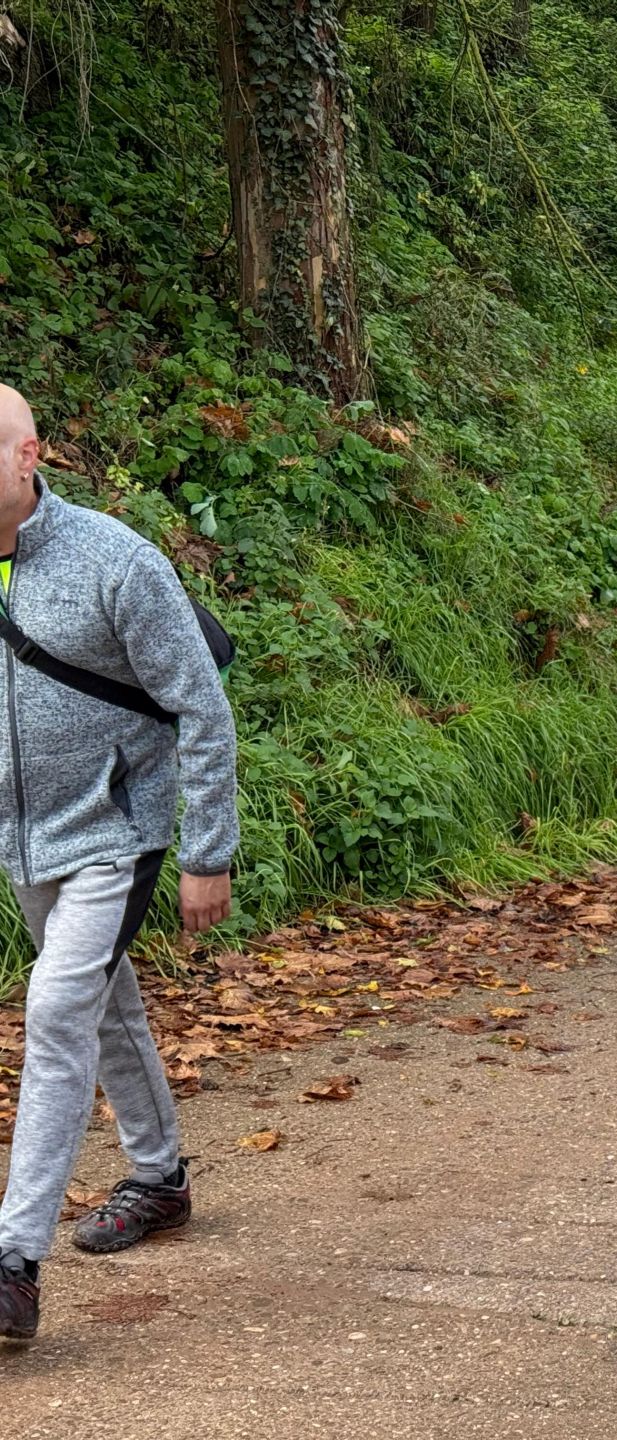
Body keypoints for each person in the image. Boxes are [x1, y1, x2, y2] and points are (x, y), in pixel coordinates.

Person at [0, 386, 238, 1344]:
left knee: (59, 1008)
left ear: (29, 458)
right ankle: (161, 1179)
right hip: (24, 842)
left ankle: (13, 1262)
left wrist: (206, 850)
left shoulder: (116, 561)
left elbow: (200, 708)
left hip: (117, 831)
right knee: (105, 1002)